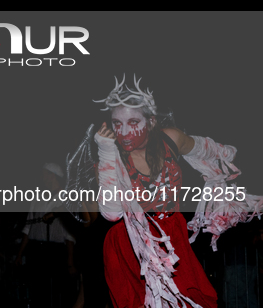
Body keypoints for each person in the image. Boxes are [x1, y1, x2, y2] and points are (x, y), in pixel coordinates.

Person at [92, 74, 255, 308]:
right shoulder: (111, 158)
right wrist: (106, 150)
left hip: (171, 235)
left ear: (151, 122)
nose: (124, 132)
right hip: (130, 244)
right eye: (117, 124)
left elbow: (209, 151)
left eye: (133, 123)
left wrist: (230, 157)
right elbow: (111, 214)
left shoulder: (170, 139)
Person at [15, 163, 78, 308]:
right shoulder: (37, 198)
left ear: (52, 175)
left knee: (55, 291)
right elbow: (28, 227)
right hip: (36, 250)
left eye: (45, 174)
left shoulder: (66, 198)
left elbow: (69, 234)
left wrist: (70, 261)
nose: (42, 177)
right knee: (38, 291)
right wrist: (20, 254)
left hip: (56, 251)